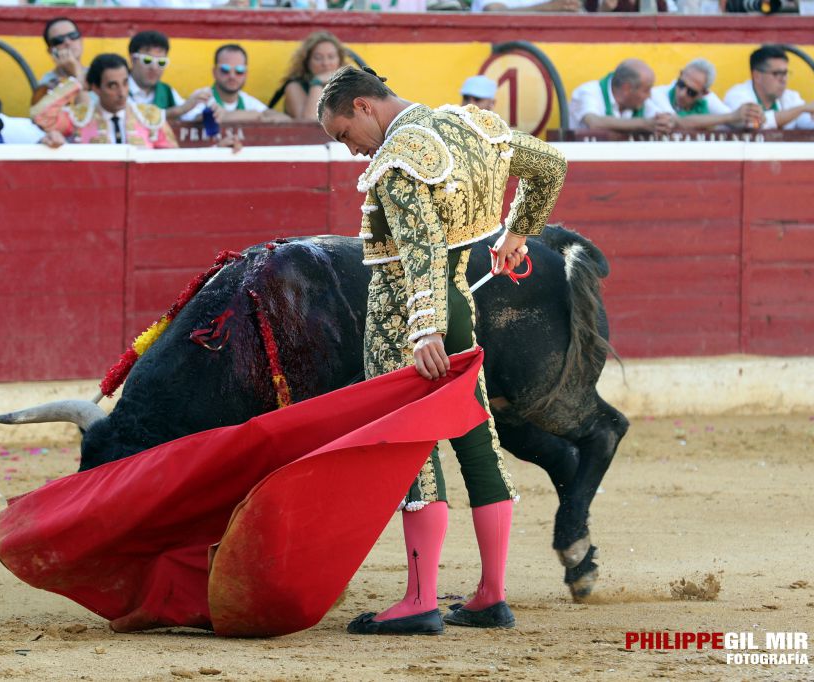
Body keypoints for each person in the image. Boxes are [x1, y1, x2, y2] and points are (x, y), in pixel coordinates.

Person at [318, 66, 567, 635]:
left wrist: (422, 329)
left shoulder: (399, 158)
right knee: (477, 439)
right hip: (459, 299)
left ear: (364, 107)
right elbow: (550, 165)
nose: (352, 151)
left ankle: (420, 599)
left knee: (413, 444)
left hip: (406, 311)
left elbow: (421, 247)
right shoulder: (467, 125)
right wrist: (518, 231)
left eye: (343, 134)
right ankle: (491, 595)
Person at [32, 53, 176, 148]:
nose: (122, 93)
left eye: (125, 83)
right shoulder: (79, 119)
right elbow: (40, 116)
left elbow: (173, 161)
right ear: (95, 88)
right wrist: (77, 83)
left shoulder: (150, 117)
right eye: (112, 86)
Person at [723, 44, 814, 130]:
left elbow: (808, 123)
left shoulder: (791, 97)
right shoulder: (737, 95)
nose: (783, 79)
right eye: (777, 73)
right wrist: (803, 108)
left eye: (785, 73)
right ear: (757, 76)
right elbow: (756, 123)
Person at [181, 44, 290, 123]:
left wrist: (228, 116)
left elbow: (286, 120)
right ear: (214, 72)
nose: (232, 75)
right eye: (225, 69)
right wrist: (255, 116)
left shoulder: (247, 100)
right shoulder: (202, 95)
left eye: (239, 70)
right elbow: (192, 121)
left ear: (246, 73)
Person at [648, 58, 762, 131]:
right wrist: (731, 117)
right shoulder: (658, 93)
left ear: (704, 93)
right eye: (681, 84)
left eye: (691, 92)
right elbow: (675, 122)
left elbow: (740, 123)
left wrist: (752, 116)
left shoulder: (707, 99)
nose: (682, 94)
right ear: (680, 75)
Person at [569, 59, 674, 135]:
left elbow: (659, 118)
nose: (649, 96)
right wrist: (644, 124)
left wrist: (664, 122)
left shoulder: (640, 102)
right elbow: (594, 122)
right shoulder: (589, 92)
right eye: (646, 90)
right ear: (627, 88)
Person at [127, 30, 209, 121]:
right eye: (147, 60)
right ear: (133, 59)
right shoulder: (119, 87)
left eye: (161, 62)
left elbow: (191, 115)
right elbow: (134, 119)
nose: (154, 67)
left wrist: (211, 112)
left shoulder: (166, 91)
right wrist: (180, 110)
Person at [278, 31, 347, 121]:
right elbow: (311, 122)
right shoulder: (294, 87)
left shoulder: (348, 85)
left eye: (331, 57)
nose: (325, 63)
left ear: (339, 60)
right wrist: (317, 83)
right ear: (307, 61)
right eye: (318, 58)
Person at [31, 17, 88, 107]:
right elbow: (85, 117)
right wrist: (75, 74)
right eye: (59, 40)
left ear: (81, 41)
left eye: (73, 35)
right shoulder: (46, 85)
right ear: (51, 51)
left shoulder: (98, 74)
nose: (68, 42)